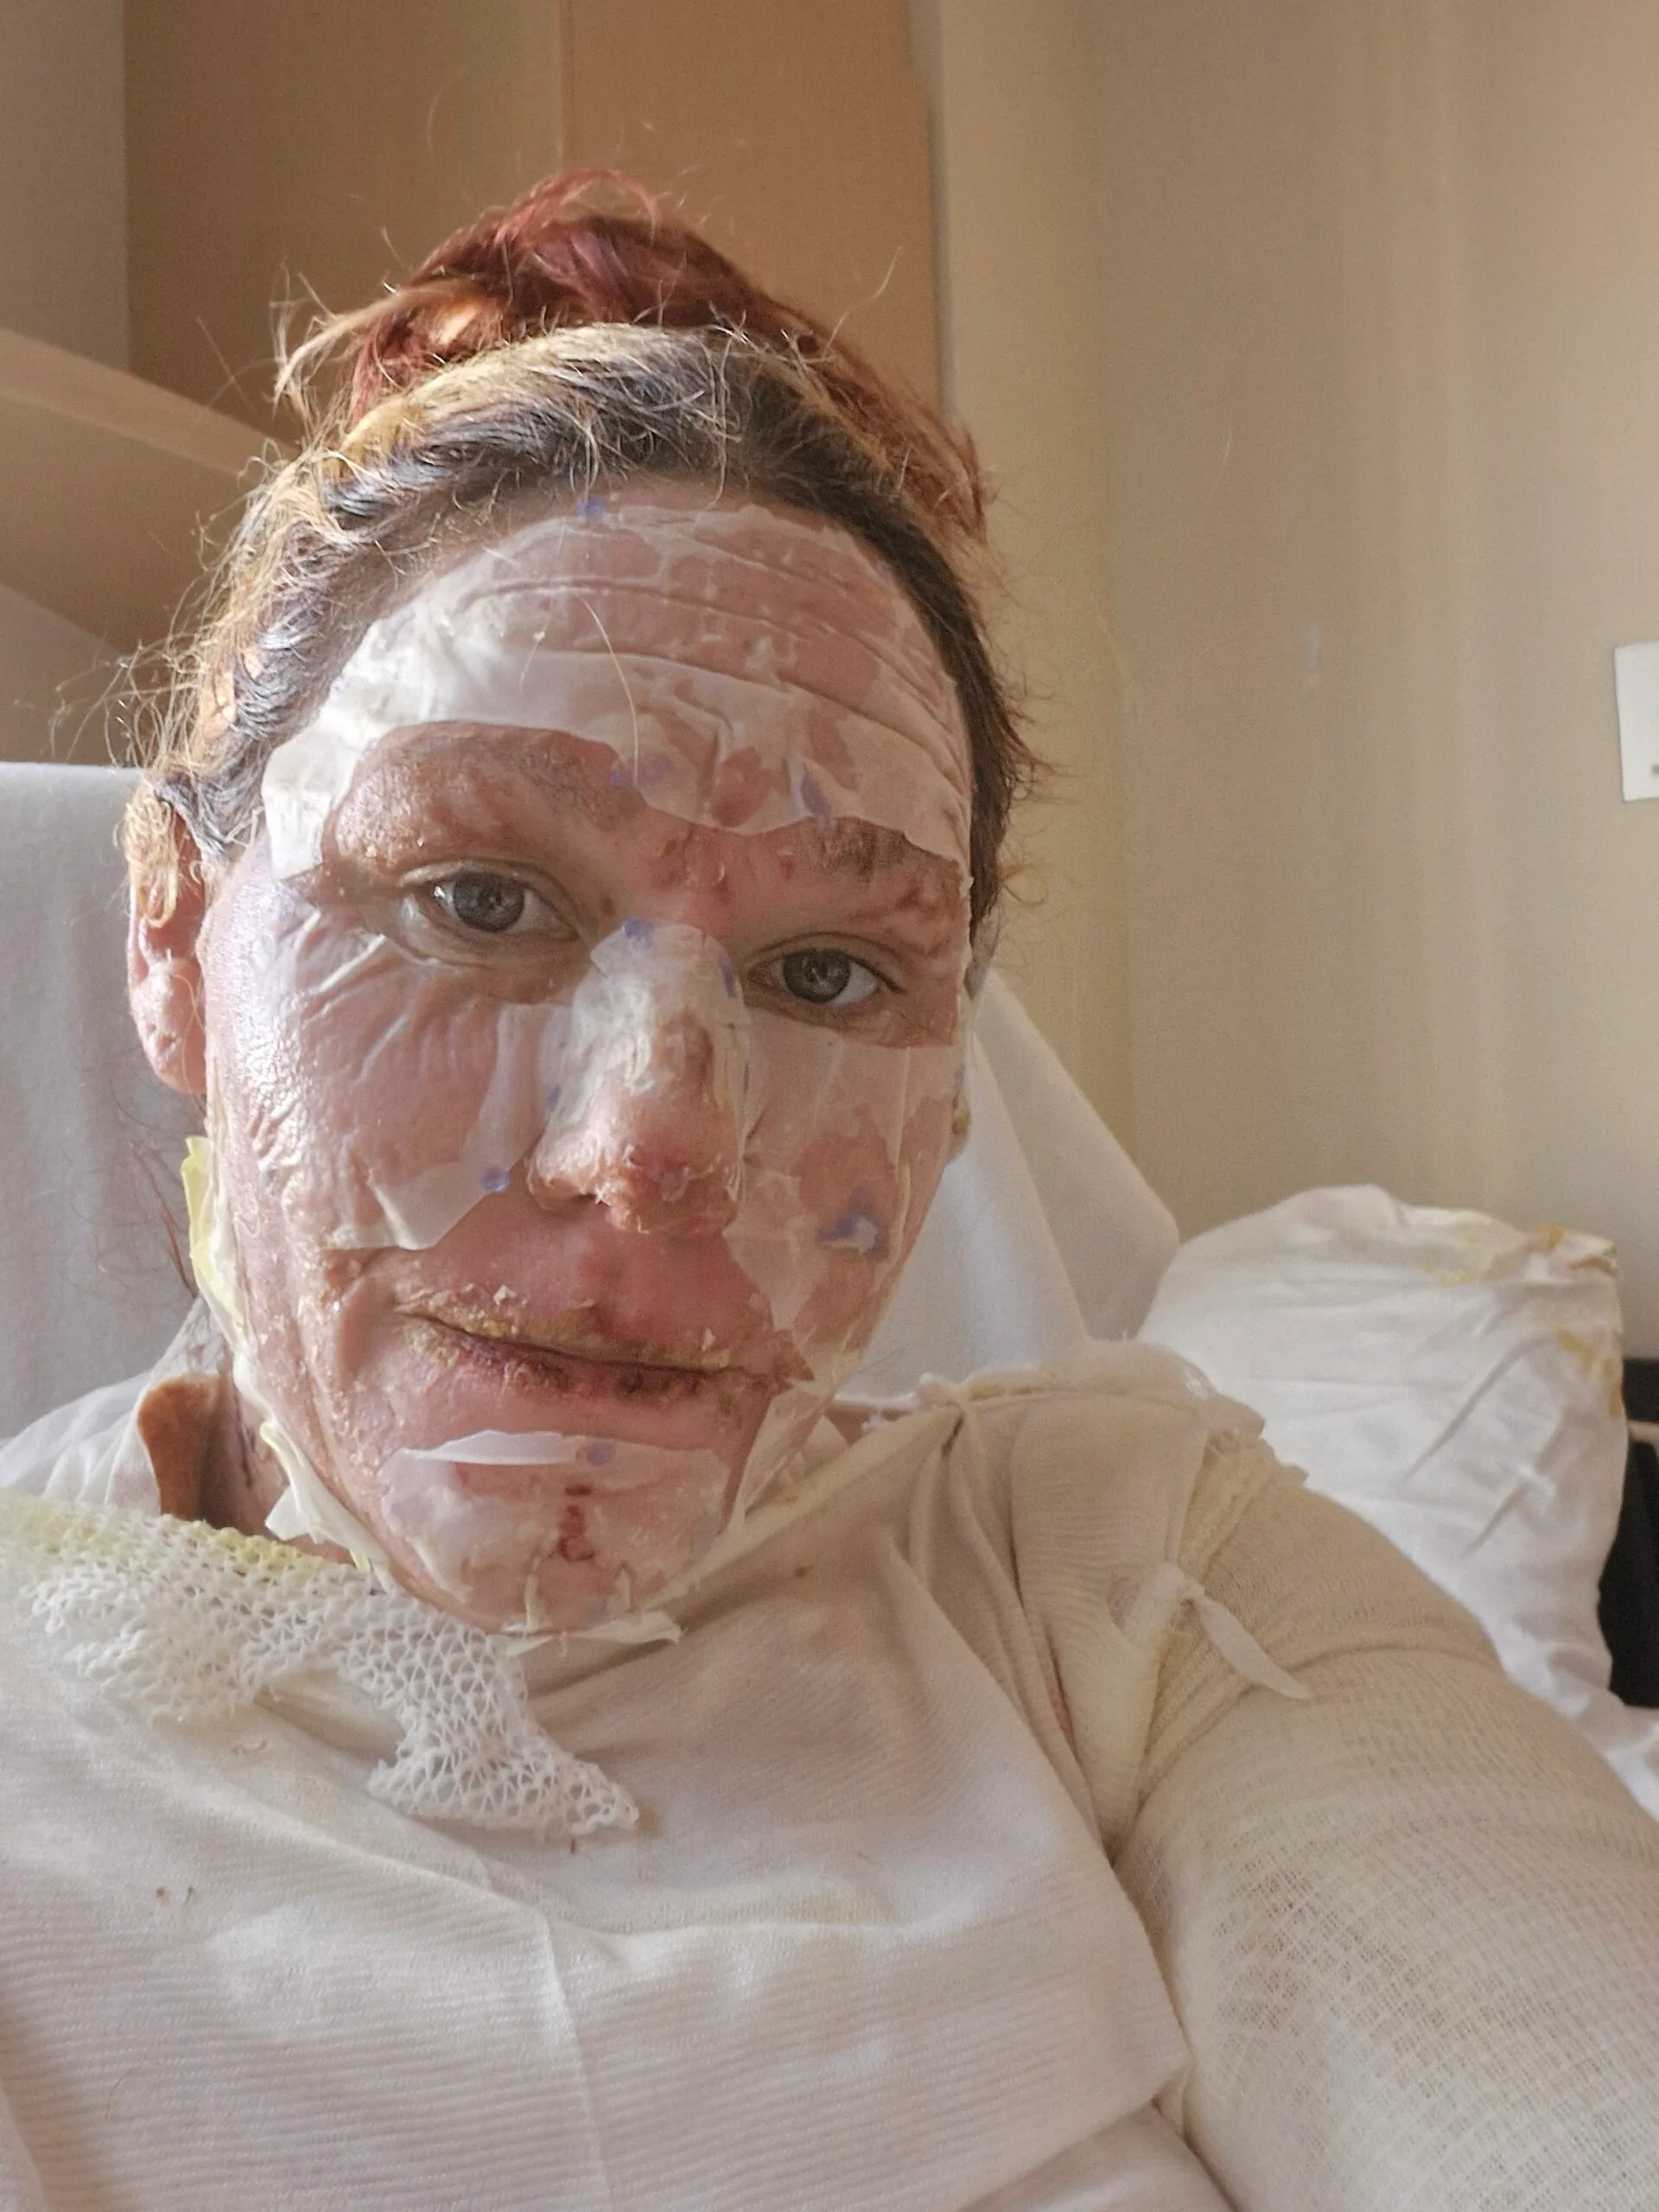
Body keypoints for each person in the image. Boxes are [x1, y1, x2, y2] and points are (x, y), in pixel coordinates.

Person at [1, 173, 1656, 2212]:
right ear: (169, 934)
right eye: (481, 897)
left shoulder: (1122, 1579)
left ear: (953, 1074)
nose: (651, 1148)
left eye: (828, 971)